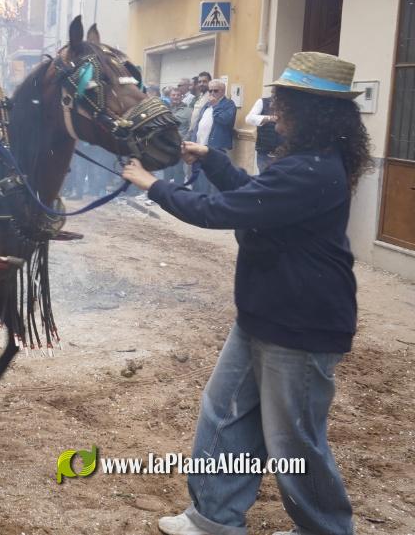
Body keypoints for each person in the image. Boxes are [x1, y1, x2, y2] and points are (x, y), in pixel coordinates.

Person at [121, 51, 371, 535]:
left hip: (300, 325)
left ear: (313, 112)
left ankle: (325, 530)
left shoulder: (312, 171)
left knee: (294, 443)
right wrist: (211, 158)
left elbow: (222, 212)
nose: (275, 116)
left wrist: (153, 186)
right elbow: (252, 196)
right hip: (264, 314)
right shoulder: (305, 164)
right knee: (225, 414)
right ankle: (213, 518)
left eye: (284, 107)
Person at [190, 78, 236, 193]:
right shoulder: (206, 105)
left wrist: (215, 106)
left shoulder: (229, 104)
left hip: (216, 148)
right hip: (200, 147)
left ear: (223, 91)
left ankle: (212, 205)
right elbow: (198, 125)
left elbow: (225, 120)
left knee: (213, 181)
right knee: (199, 179)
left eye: (215, 91)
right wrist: (192, 142)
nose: (212, 93)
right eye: (210, 91)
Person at [245, 94, 282, 172]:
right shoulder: (263, 102)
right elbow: (249, 119)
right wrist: (269, 118)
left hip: (285, 153)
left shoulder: (291, 104)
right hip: (266, 152)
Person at [165, 86, 193, 185]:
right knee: (166, 169)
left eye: (178, 95)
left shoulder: (188, 111)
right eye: (173, 95)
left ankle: (178, 191)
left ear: (181, 97)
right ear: (169, 96)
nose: (175, 97)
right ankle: (165, 192)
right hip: (166, 144)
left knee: (178, 170)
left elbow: (191, 129)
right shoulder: (165, 109)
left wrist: (183, 142)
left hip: (179, 145)